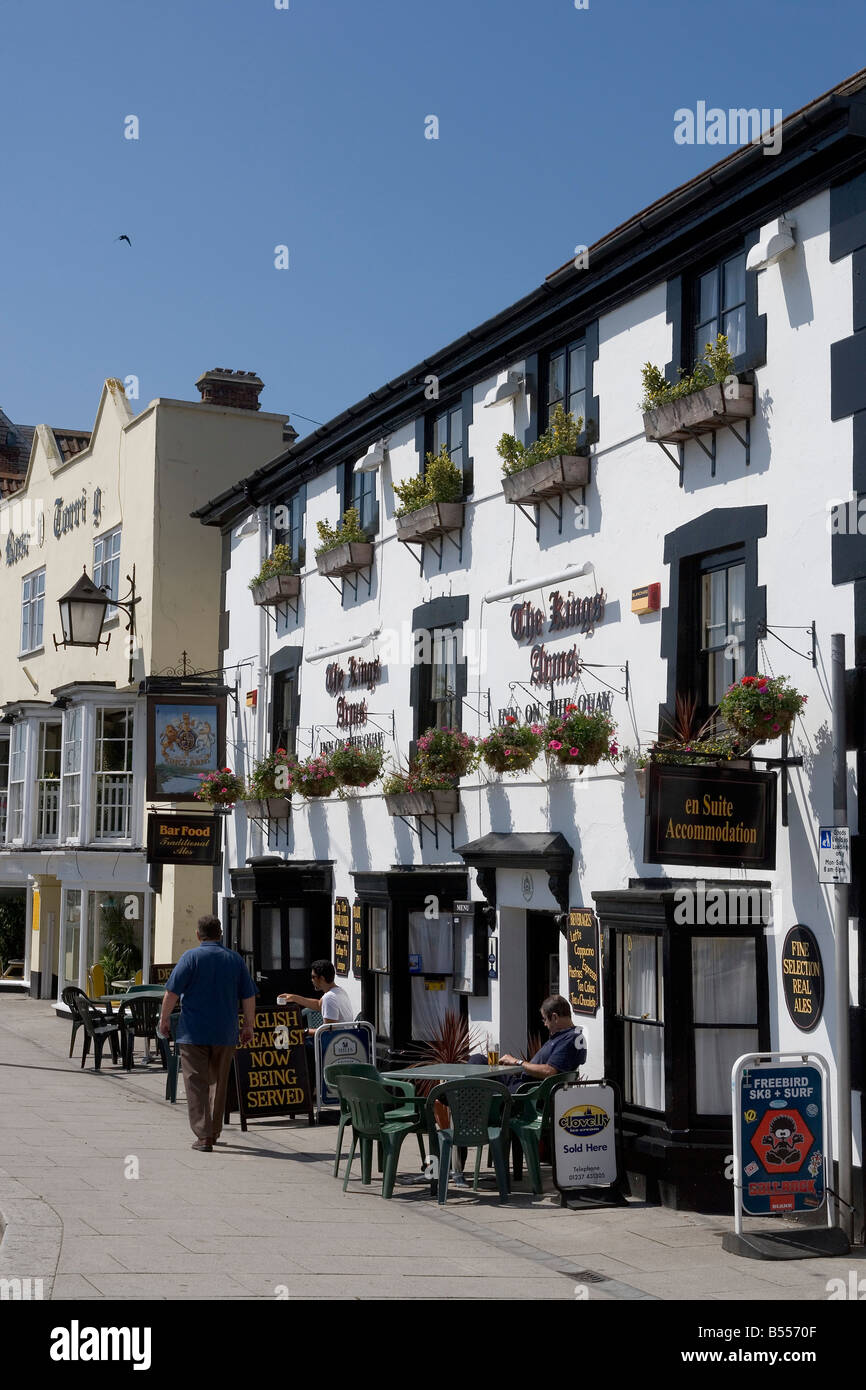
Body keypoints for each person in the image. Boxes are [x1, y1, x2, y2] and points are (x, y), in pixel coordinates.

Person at [157, 915, 257, 1152]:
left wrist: (163, 1020)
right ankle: (213, 1131)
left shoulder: (190, 958)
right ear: (220, 934)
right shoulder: (234, 960)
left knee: (195, 1083)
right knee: (218, 1082)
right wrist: (248, 1025)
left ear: (198, 934)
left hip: (193, 1031)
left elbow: (171, 993)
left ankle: (203, 1136)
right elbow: (248, 995)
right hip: (225, 1031)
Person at [499, 994, 587, 1085]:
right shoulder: (565, 1036)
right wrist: (516, 1068)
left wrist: (517, 1062)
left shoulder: (570, 1039)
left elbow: (549, 1071)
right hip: (524, 1085)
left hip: (527, 1090)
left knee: (484, 1062)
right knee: (486, 1063)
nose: (545, 1024)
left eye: (545, 1019)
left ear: (554, 1017)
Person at [277, 960, 353, 1030]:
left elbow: (328, 1031)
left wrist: (302, 1031)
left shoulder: (329, 998)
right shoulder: (339, 991)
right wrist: (293, 998)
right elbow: (318, 1005)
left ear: (322, 978)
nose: (312, 980)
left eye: (313, 977)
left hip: (336, 1042)